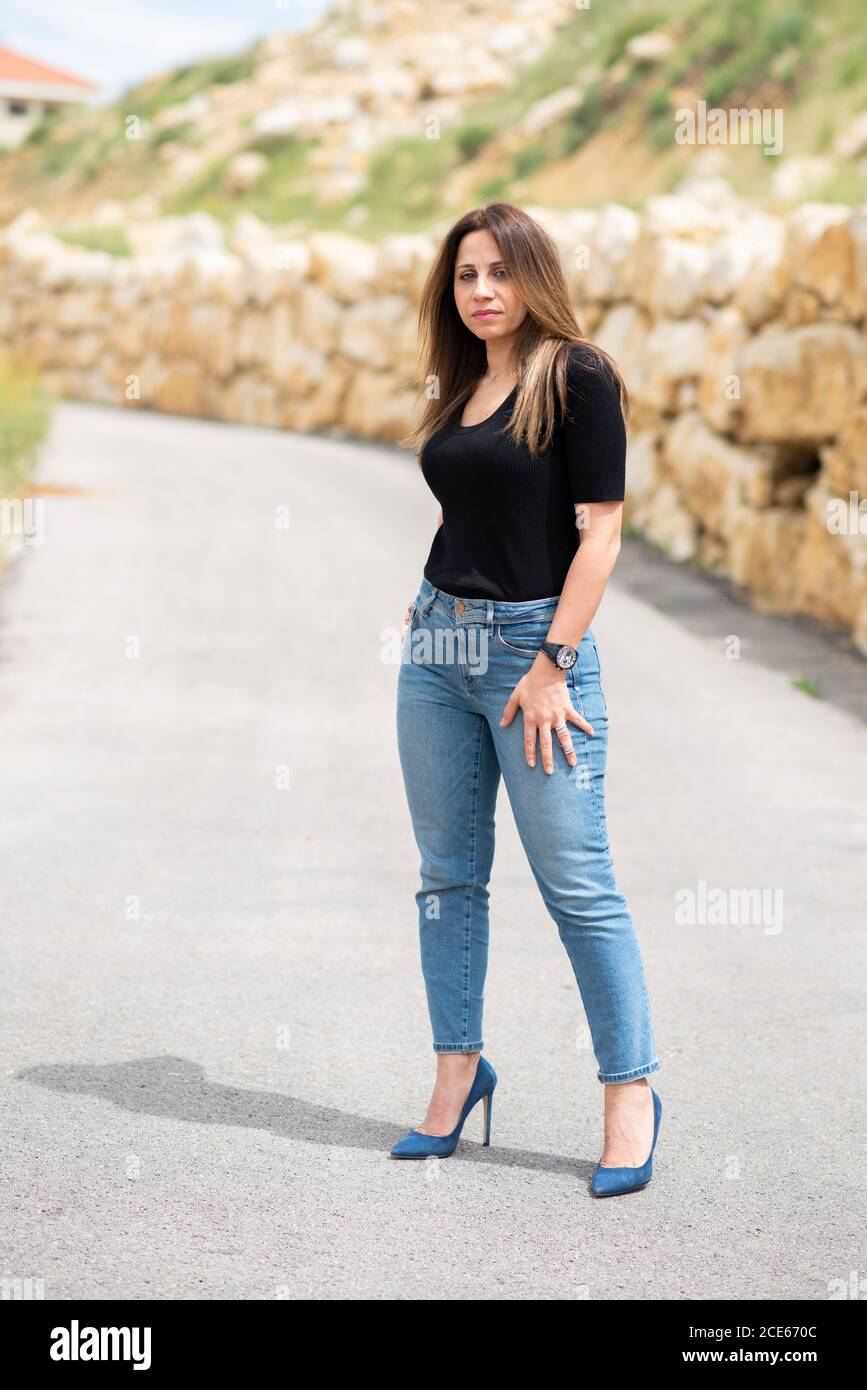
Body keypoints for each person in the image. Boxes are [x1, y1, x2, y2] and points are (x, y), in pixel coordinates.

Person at [391, 203, 662, 1196]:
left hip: (531, 655)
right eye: (465, 275)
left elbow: (602, 536)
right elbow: (475, 508)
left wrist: (551, 661)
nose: (482, 290)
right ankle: (457, 1075)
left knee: (577, 885)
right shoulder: (468, 379)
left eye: (500, 271)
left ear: (534, 274)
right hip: (437, 644)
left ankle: (630, 1092)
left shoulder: (577, 374)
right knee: (446, 876)